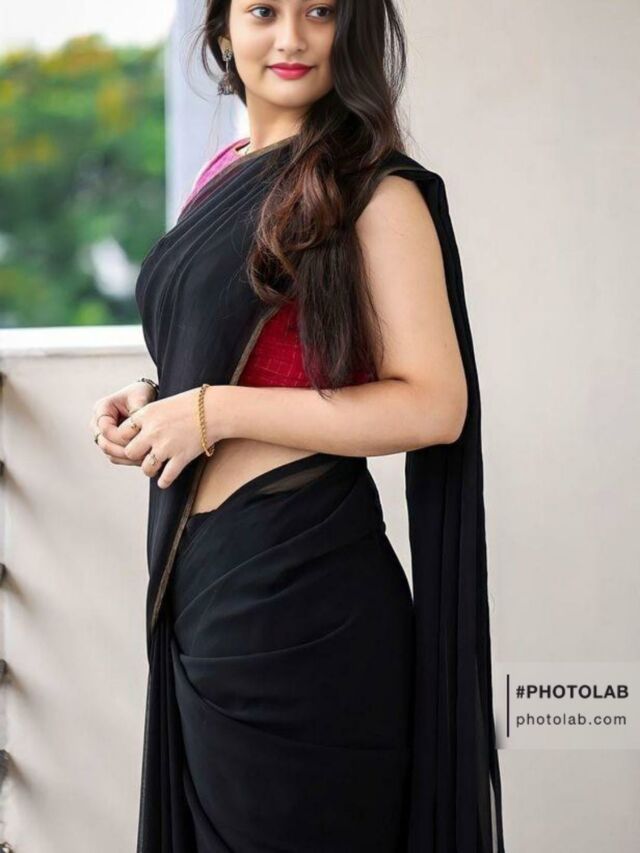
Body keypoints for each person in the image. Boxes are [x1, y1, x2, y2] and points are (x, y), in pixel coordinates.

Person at [89, 1, 506, 850]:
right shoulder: (224, 171)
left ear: (351, 30)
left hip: (307, 598)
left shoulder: (377, 191)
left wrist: (211, 411)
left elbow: (436, 404)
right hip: (206, 591)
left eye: (320, 11)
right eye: (263, 11)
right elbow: (246, 350)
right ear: (222, 31)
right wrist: (156, 395)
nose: (291, 37)